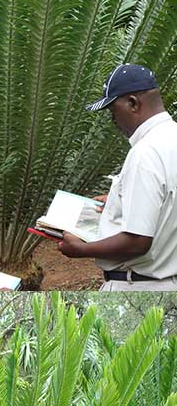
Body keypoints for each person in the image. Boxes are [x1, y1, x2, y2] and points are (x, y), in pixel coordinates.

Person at [58, 64, 177, 290]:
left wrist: (82, 250)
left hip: (139, 284)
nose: (113, 121)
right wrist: (119, 199)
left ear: (133, 103)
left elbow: (138, 242)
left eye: (114, 111)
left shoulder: (145, 153)